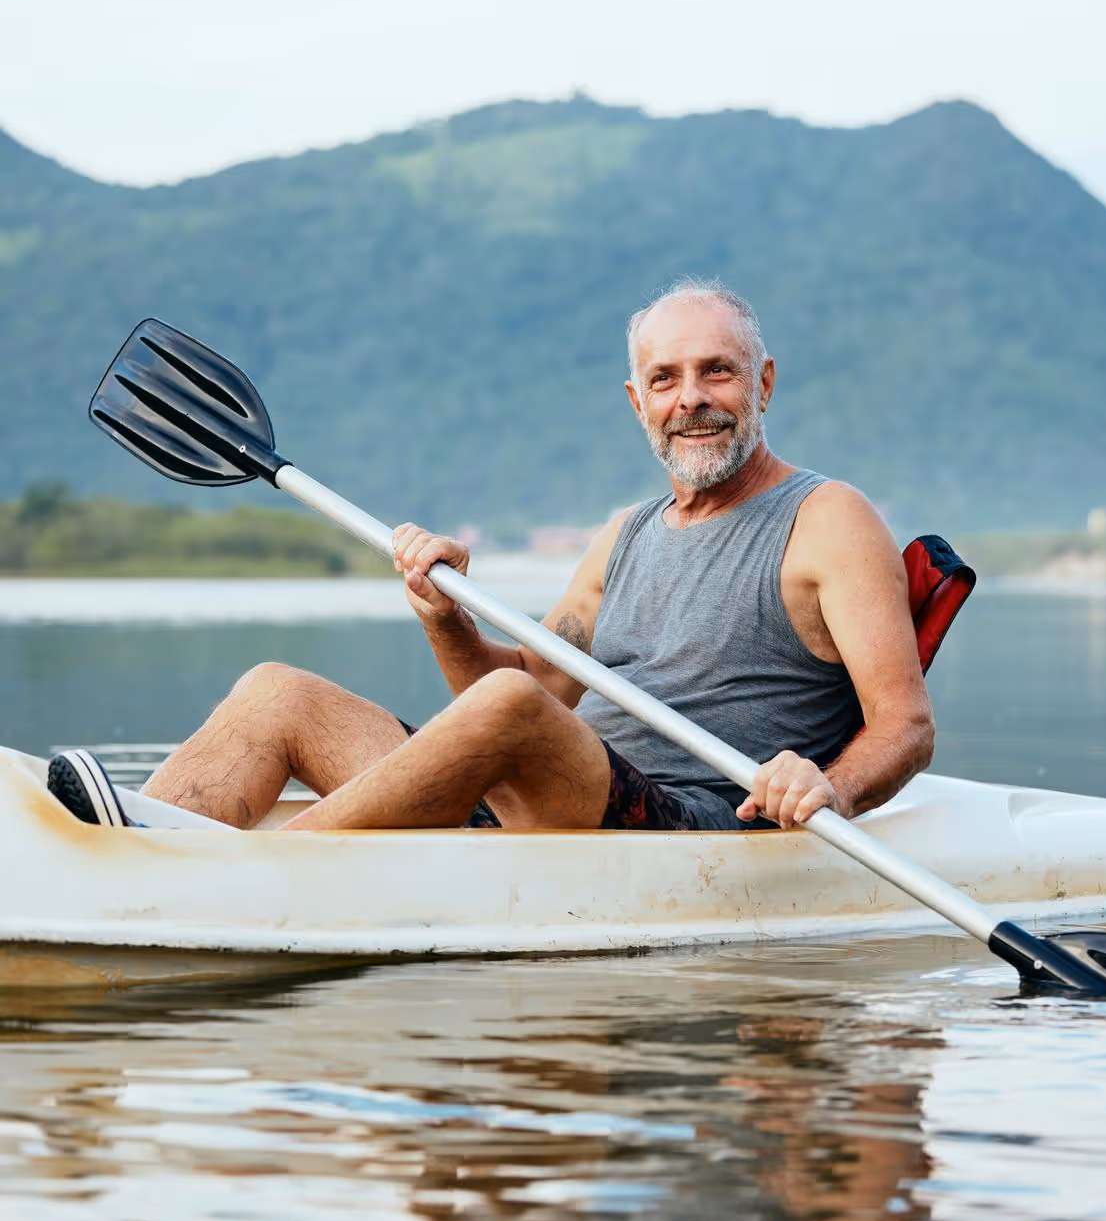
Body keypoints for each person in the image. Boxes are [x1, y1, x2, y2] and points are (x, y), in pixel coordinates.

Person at [48, 282, 934, 834]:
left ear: (764, 383)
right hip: (544, 795)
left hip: (684, 820)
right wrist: (447, 616)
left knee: (514, 703)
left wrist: (827, 784)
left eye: (718, 372)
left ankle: (260, 872)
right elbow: (513, 704)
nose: (691, 400)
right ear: (637, 401)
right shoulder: (624, 534)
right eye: (665, 379)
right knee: (276, 692)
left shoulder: (826, 519)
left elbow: (904, 729)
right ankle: (141, 852)